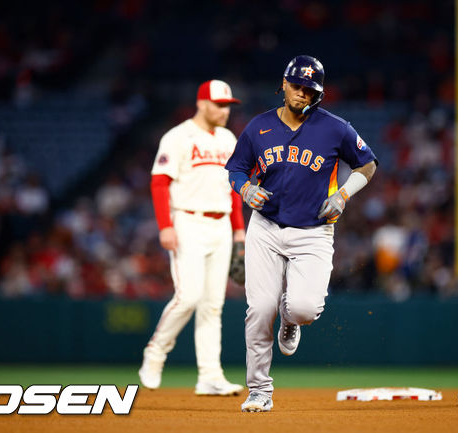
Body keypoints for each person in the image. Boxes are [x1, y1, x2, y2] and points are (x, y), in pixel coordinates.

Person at [225, 55, 378, 412]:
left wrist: (343, 194)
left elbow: (367, 164)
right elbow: (235, 168)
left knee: (304, 308)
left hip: (313, 231)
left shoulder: (336, 128)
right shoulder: (258, 127)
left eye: (310, 89)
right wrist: (245, 189)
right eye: (297, 85)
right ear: (283, 84)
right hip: (265, 227)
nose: (302, 93)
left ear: (318, 94)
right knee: (259, 309)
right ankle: (260, 390)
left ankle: (291, 318)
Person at [138, 80, 246, 396]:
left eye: (228, 105)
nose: (225, 110)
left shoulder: (228, 138)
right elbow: (159, 183)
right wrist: (165, 226)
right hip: (187, 221)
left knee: (213, 304)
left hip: (222, 224)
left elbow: (235, 186)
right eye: (219, 104)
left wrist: (239, 230)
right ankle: (156, 351)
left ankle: (210, 375)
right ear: (201, 104)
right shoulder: (178, 136)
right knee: (188, 296)